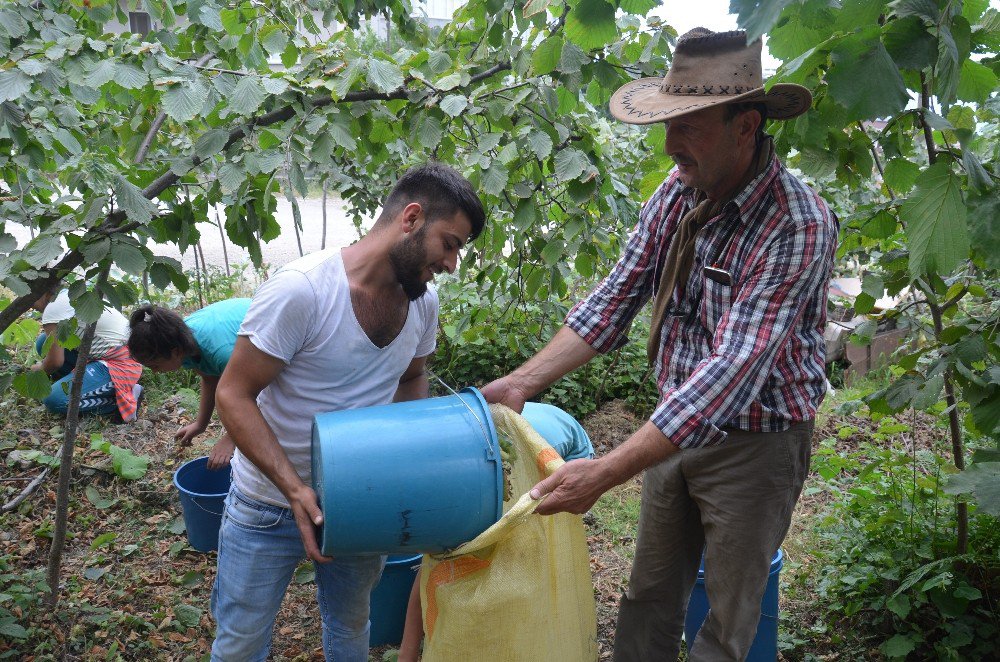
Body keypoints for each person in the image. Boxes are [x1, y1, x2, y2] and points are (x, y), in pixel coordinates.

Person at [481, 28, 838, 661]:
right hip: (672, 430)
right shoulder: (677, 193)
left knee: (729, 619)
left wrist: (609, 469)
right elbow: (615, 297)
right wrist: (522, 383)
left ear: (746, 125)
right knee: (647, 594)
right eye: (666, 125)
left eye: (690, 126)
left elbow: (732, 369)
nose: (671, 145)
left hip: (756, 443)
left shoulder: (796, 222)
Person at [210, 163, 486, 661]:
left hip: (362, 504)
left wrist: (409, 461)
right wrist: (294, 489)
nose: (451, 263)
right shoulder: (303, 291)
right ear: (412, 218)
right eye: (449, 243)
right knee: (241, 641)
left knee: (351, 628)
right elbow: (233, 394)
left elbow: (410, 377)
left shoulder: (423, 305)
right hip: (267, 503)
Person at [397, 401, 594, 662]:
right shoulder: (451, 475)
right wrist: (407, 653)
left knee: (533, 552)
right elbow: (432, 565)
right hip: (492, 457)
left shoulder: (530, 462)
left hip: (562, 455)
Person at [126, 298, 251, 469]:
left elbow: (256, 395)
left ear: (175, 352)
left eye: (155, 365)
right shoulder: (179, 341)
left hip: (280, 333)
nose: (154, 371)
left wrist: (231, 440)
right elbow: (209, 377)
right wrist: (200, 424)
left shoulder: (221, 352)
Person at [30, 282, 142, 422]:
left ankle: (118, 402)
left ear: (43, 293)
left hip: (121, 365)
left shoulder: (52, 309)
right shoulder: (70, 294)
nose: (30, 305)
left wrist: (38, 370)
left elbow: (55, 362)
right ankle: (91, 384)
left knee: (53, 400)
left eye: (30, 299)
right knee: (43, 343)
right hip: (122, 356)